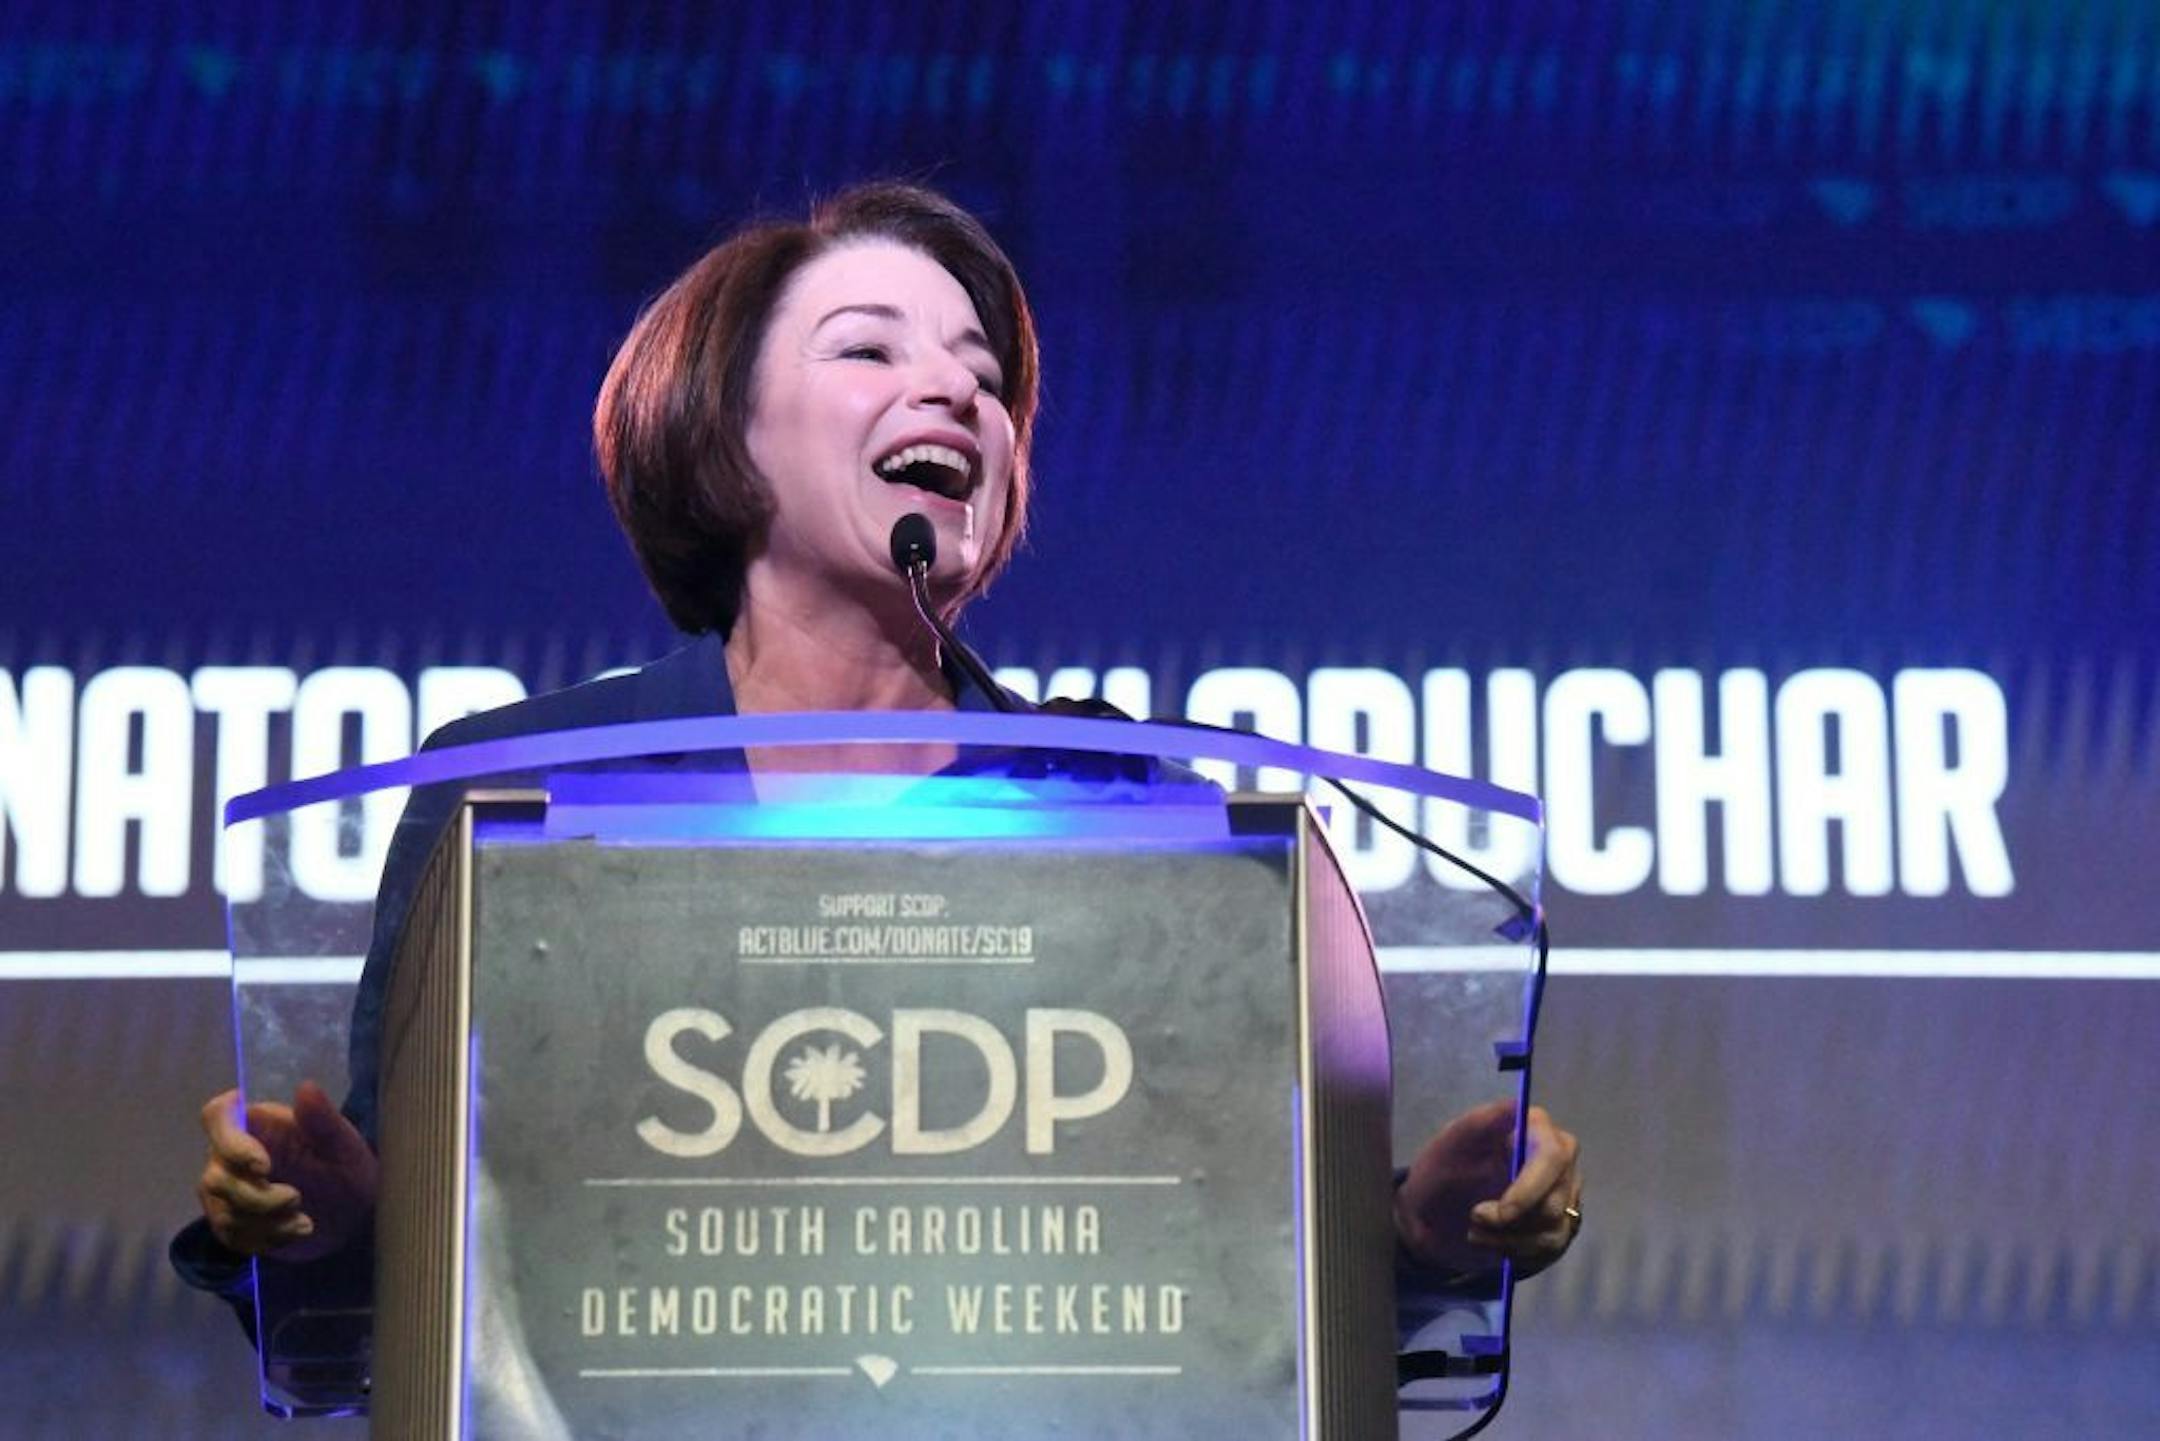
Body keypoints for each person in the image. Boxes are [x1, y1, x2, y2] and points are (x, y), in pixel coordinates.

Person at [177, 181, 1582, 1359]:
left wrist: (1416, 1238)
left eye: (983, 375)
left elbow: (1228, 1269)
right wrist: (328, 1214)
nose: (956, 394)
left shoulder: (1137, 817)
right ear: (724, 432)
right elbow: (388, 1299)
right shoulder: (516, 799)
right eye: (871, 352)